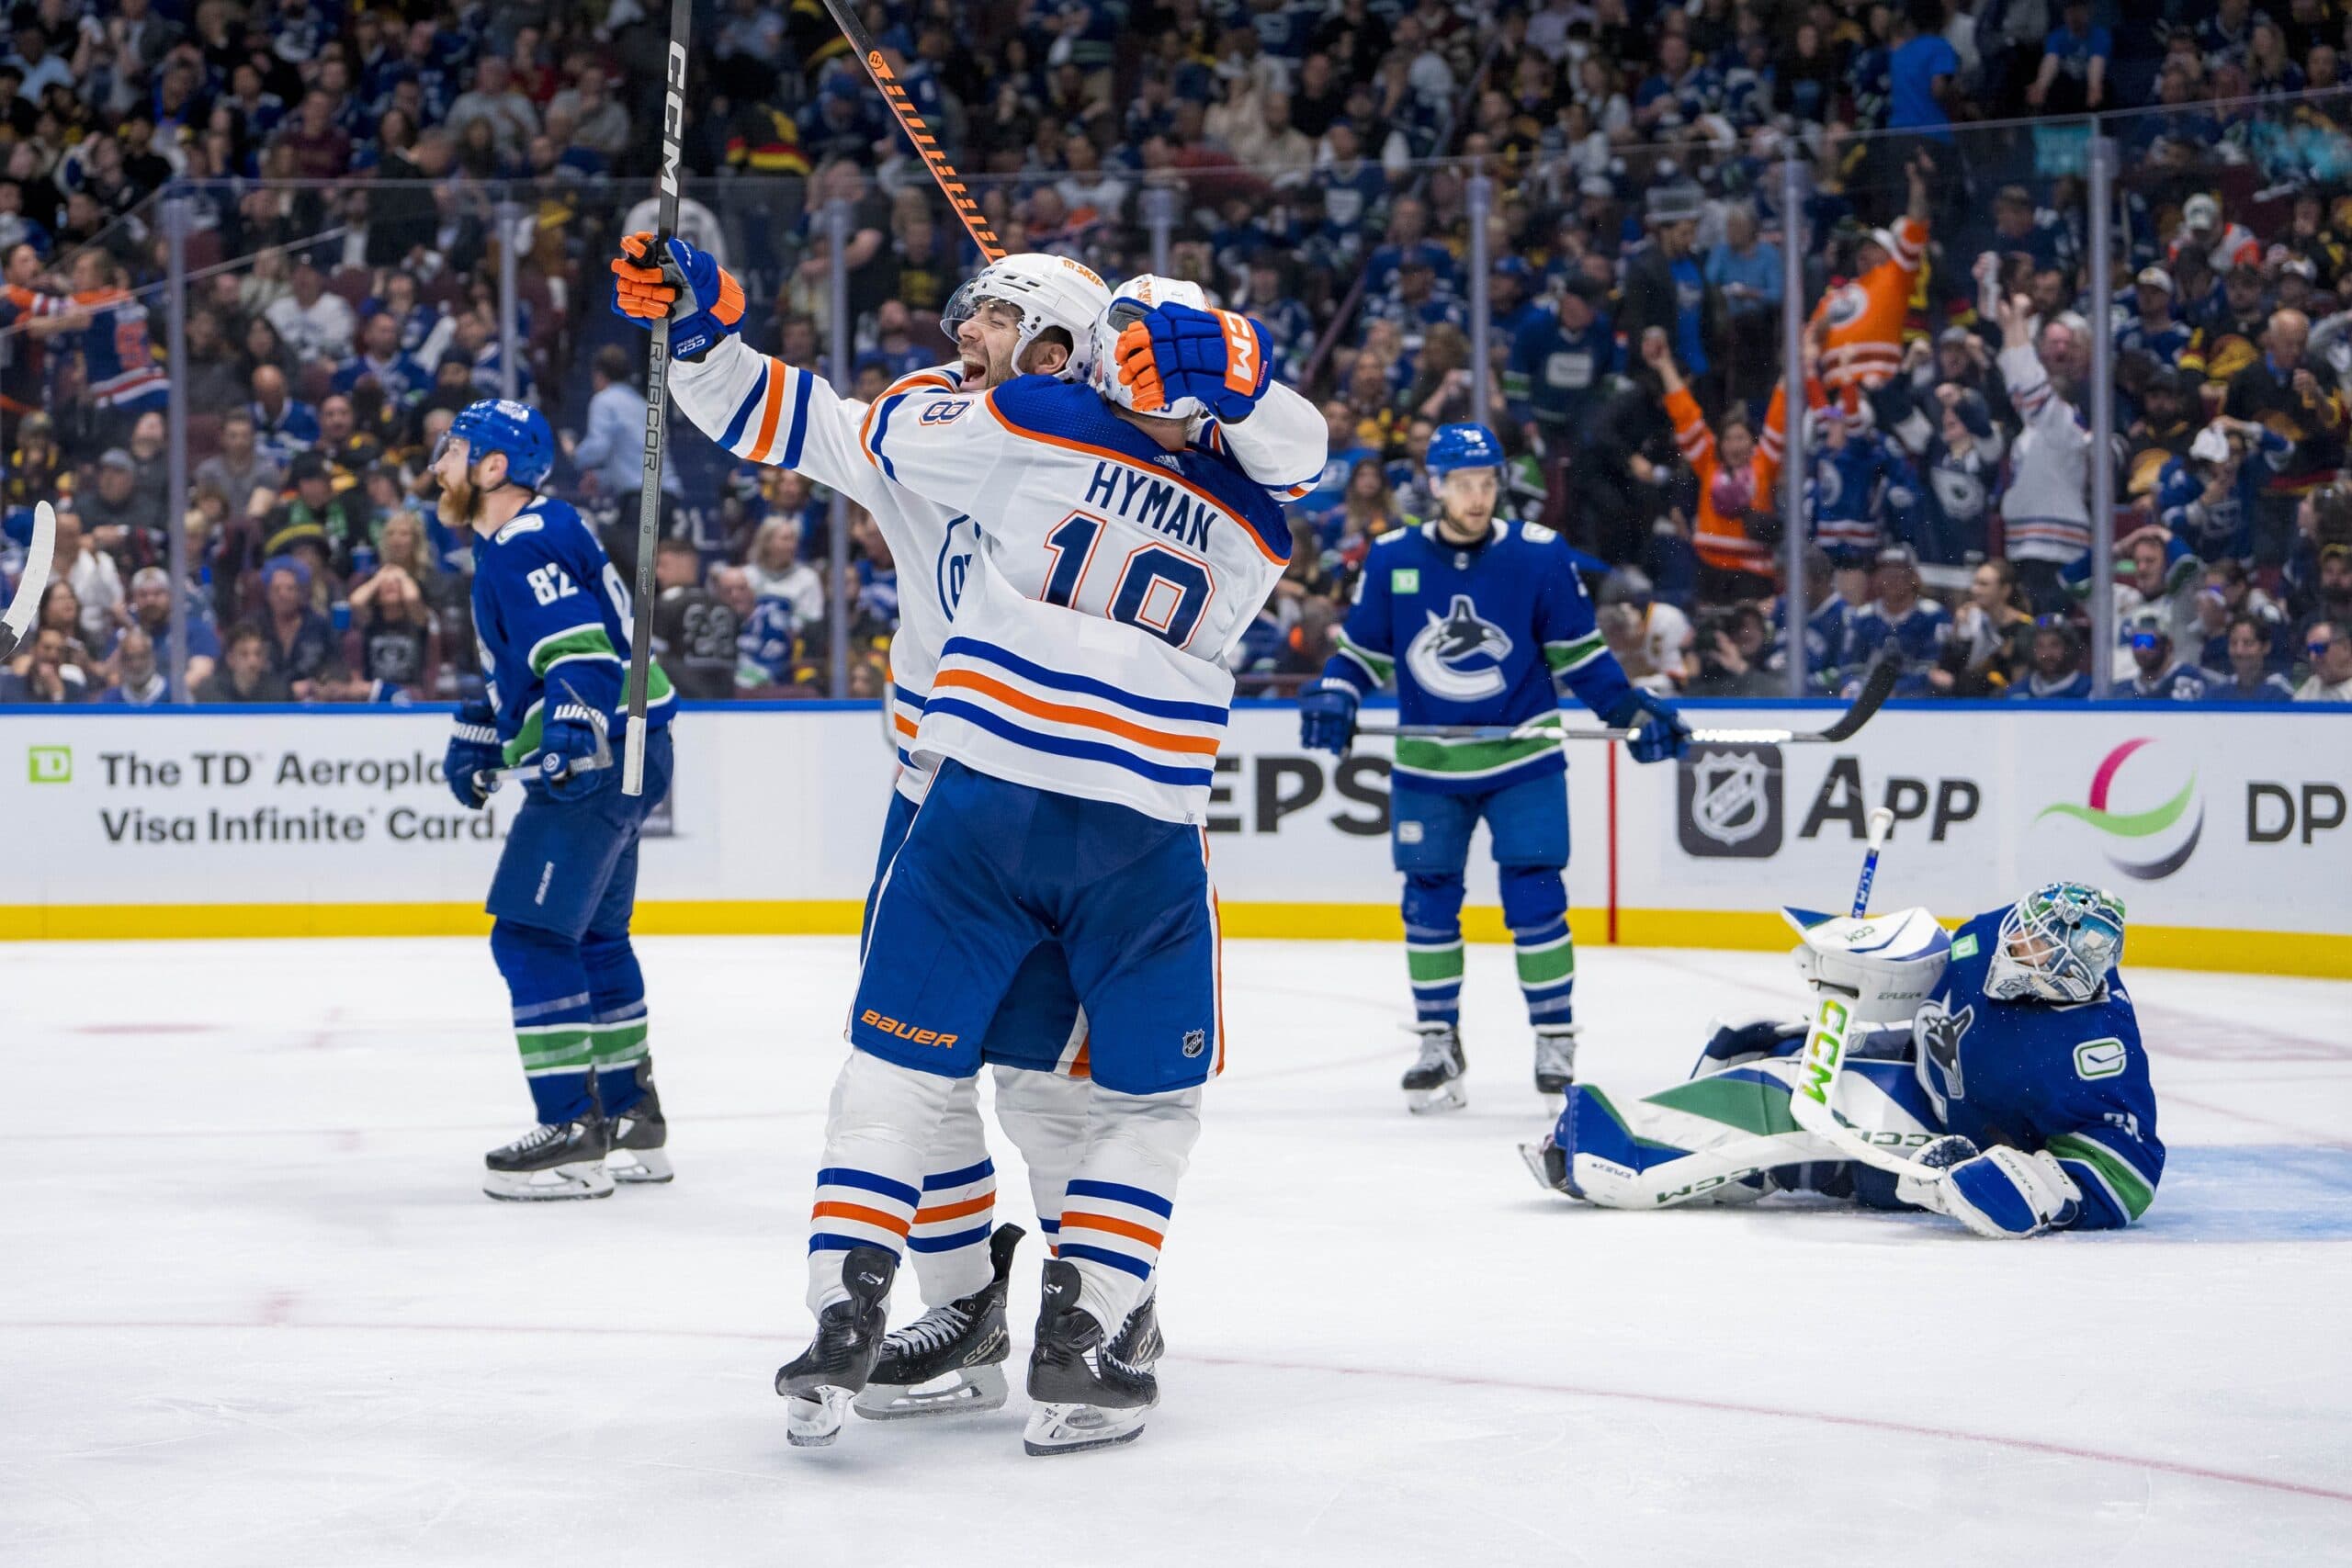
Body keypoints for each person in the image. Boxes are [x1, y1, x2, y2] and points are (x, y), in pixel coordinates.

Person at [626, 242, 1323, 1450]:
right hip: (977, 789)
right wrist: (702, 338)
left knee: (1028, 1083)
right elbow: (780, 413)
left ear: (1062, 349)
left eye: (997, 317)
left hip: (981, 780)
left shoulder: (1003, 423)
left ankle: (1099, 1308)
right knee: (940, 1078)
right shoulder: (1004, 428)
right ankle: (980, 1313)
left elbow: (879, 417)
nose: (971, 334)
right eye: (969, 315)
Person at [1298, 421, 1689, 1111]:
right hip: (1429, 762)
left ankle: (1554, 1039)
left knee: (1536, 898)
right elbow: (1361, 652)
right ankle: (1438, 1041)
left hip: (1523, 758)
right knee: (1427, 904)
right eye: (1464, 484)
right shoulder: (1392, 559)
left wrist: (1629, 711)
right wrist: (1336, 690)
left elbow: (1580, 655)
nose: (1478, 498)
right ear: (1436, 486)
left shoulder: (1538, 557)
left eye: (1487, 484)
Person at [1524, 882, 2163, 1240]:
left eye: (2030, 945)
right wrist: (1864, 964)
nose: (2012, 942)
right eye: (2023, 927)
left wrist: (2038, 1189)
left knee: (1785, 1100)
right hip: (1922, 1062)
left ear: (2061, 972)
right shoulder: (2000, 927)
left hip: (1953, 1132)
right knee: (1767, 1052)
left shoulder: (2097, 1049)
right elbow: (1937, 963)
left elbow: (2129, 1170)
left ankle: (1607, 1143)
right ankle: (1748, 1163)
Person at [432, 399, 676, 1201]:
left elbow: (578, 648)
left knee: (531, 939)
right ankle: (632, 1117)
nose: (440, 463)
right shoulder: (548, 526)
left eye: (455, 450)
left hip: (601, 753)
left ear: (494, 468)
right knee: (595, 939)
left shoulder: (519, 542)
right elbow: (553, 658)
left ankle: (572, 1131)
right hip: (637, 744)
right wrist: (496, 729)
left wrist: (572, 719)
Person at [1648, 330, 1789, 596]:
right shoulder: (1708, 461)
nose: (1735, 445)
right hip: (1710, 571)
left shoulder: (1765, 462)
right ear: (1720, 444)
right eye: (1729, 439)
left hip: (1753, 576)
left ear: (1753, 442)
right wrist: (1665, 365)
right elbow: (1686, 416)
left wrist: (1791, 367)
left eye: (1741, 438)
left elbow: (1779, 418)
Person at [2106, 607, 2211, 700]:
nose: (2142, 648)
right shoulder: (2122, 691)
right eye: (2137, 641)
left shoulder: (2191, 680)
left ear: (2168, 645)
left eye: (2148, 641)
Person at [193, 624, 293, 703]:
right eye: (244, 654)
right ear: (230, 659)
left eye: (258, 654)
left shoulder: (279, 693)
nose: (252, 662)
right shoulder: (209, 693)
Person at [2210, 614, 2296, 701]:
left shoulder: (2281, 692)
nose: (2239, 651)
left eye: (2248, 643)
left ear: (2266, 647)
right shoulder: (2218, 693)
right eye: (2233, 643)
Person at [2008, 615, 2093, 700]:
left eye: (2054, 645)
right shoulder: (2017, 692)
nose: (2046, 653)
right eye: (2040, 646)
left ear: (2068, 648)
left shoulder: (2088, 691)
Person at [2296, 618, 2352, 700]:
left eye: (2319, 648)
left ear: (2345, 647)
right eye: (2309, 651)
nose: (2313, 657)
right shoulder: (2312, 685)